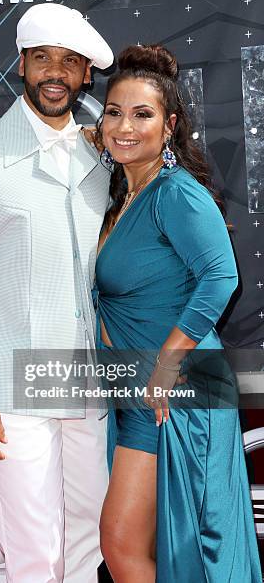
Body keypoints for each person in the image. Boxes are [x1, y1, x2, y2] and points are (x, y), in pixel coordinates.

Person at [0, 4, 114, 583]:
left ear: (86, 74)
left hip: (89, 386)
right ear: (22, 65)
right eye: (41, 59)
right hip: (10, 393)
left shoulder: (103, 157)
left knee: (92, 539)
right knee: (33, 556)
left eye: (68, 62)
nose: (53, 73)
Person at [92, 45, 261, 582]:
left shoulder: (176, 194)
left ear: (169, 126)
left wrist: (165, 368)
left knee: (178, 547)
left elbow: (221, 278)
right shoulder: (123, 196)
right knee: (139, 548)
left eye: (142, 114)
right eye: (113, 112)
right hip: (139, 391)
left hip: (176, 389)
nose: (124, 125)